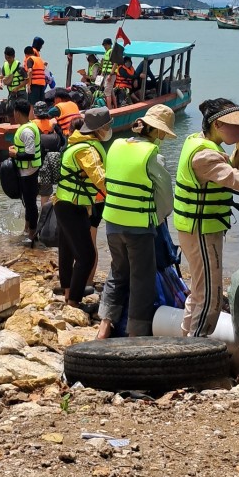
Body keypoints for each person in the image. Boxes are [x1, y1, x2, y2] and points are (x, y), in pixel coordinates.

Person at [174, 98, 239, 337]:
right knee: (211, 295)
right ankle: (196, 346)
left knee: (200, 289)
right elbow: (235, 178)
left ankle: (185, 338)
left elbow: (231, 168)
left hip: (196, 227)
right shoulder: (204, 156)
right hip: (201, 229)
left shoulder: (199, 141)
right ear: (218, 124)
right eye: (236, 126)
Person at [97, 105, 176, 339]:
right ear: (159, 132)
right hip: (139, 226)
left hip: (111, 222)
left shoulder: (117, 145)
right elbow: (165, 200)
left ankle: (105, 325)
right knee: (142, 280)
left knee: (117, 273)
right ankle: (135, 333)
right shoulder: (153, 155)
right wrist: (157, 219)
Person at [55, 106, 111, 309]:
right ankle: (74, 302)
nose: (109, 129)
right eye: (107, 126)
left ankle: (69, 294)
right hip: (72, 206)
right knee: (86, 256)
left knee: (67, 252)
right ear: (99, 128)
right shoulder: (87, 149)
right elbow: (101, 178)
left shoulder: (76, 143)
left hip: (63, 203)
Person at [8, 98, 41, 243]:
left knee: (31, 204)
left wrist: (15, 154)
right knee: (28, 203)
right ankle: (27, 228)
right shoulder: (28, 126)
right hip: (25, 172)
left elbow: (30, 154)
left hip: (29, 172)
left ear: (17, 112)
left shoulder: (27, 130)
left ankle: (32, 233)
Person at [100, 37, 117, 110]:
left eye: (106, 45)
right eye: (104, 45)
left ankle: (109, 109)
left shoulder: (111, 52)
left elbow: (115, 64)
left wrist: (110, 74)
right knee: (111, 91)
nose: (104, 46)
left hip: (111, 75)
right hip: (106, 74)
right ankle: (115, 106)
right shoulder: (106, 52)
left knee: (107, 92)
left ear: (110, 45)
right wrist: (102, 73)